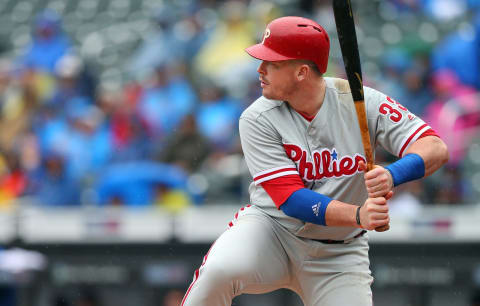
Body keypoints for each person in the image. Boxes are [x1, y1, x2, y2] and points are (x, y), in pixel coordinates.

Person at [181, 16, 449, 306]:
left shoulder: (361, 101)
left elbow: (435, 147)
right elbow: (292, 199)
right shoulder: (256, 117)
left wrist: (392, 174)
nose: (260, 69)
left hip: (339, 253)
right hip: (272, 232)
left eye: (272, 62)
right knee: (219, 271)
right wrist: (359, 215)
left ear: (301, 72)